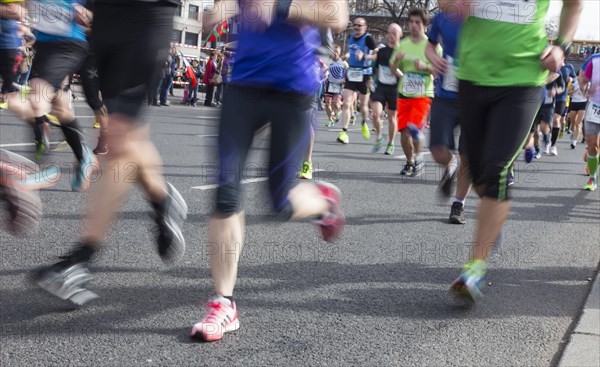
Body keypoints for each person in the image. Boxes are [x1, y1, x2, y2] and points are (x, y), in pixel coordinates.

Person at [189, 0, 348, 342]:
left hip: (292, 89)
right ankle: (224, 302)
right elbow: (210, 19)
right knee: (226, 190)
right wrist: (224, 10)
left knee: (280, 203)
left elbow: (338, 16)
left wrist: (279, 8)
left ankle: (322, 200)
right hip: (243, 86)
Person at [32, 0, 188, 306]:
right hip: (102, 19)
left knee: (117, 138)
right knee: (129, 138)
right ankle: (162, 200)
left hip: (145, 16)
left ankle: (80, 260)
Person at [439, 0, 582, 303]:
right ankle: (495, 215)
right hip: (472, 75)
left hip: (524, 77)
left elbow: (575, 4)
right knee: (476, 172)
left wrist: (561, 47)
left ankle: (475, 266)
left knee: (496, 169)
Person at [425, 8, 473, 224]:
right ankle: (450, 163)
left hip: (477, 97)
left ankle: (458, 204)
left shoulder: (492, 16)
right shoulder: (444, 16)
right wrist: (434, 58)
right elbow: (430, 45)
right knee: (437, 149)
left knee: (469, 156)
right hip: (446, 94)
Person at [390, 7, 437, 177]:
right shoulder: (403, 44)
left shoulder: (431, 45)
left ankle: (418, 159)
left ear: (425, 25)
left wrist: (425, 67)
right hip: (404, 92)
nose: (414, 25)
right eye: (411, 22)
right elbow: (394, 71)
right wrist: (396, 61)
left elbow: (438, 71)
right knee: (403, 131)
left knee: (413, 128)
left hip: (423, 94)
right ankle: (410, 162)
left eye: (418, 22)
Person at [336, 17, 377, 144]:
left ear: (365, 27)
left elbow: (377, 54)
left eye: (359, 25)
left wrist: (365, 56)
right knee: (347, 103)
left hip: (364, 73)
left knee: (363, 105)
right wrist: (348, 55)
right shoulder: (350, 37)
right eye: (355, 25)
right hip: (352, 72)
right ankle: (344, 132)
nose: (356, 27)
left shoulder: (368, 39)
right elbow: (351, 51)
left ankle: (364, 122)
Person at [369, 23, 401, 154]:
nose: (391, 36)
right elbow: (375, 69)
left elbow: (406, 72)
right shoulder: (381, 51)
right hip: (381, 86)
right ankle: (379, 137)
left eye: (394, 33)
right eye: (389, 33)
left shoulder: (402, 52)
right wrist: (370, 79)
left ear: (400, 35)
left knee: (392, 118)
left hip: (395, 89)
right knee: (376, 114)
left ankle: (391, 143)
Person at [579, 54, 600, 191]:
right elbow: (583, 78)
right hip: (594, 106)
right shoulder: (595, 60)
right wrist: (584, 90)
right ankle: (592, 178)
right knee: (592, 145)